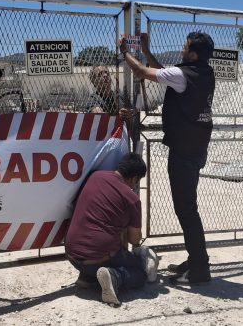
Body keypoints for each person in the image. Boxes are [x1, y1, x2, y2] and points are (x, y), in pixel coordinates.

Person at [120, 32, 215, 285]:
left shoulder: (184, 74)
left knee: (186, 210)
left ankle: (200, 268)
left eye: (185, 46)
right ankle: (195, 260)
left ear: (193, 54)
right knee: (188, 208)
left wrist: (124, 52)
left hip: (184, 152)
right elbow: (164, 74)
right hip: (196, 148)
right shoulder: (203, 72)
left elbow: (142, 72)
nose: (182, 48)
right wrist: (147, 50)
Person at [65, 153, 158, 305]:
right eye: (137, 181)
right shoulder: (131, 198)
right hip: (98, 259)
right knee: (140, 274)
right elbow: (134, 239)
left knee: (97, 245)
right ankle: (115, 276)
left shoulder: (95, 176)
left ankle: (88, 277)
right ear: (134, 178)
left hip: (72, 256)